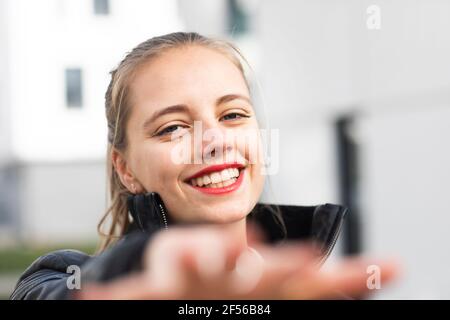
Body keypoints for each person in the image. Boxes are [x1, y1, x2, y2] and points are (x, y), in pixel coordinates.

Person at [10, 32, 398, 300]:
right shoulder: (63, 279)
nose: (215, 142)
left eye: (232, 115)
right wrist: (137, 269)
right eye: (173, 127)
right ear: (125, 168)